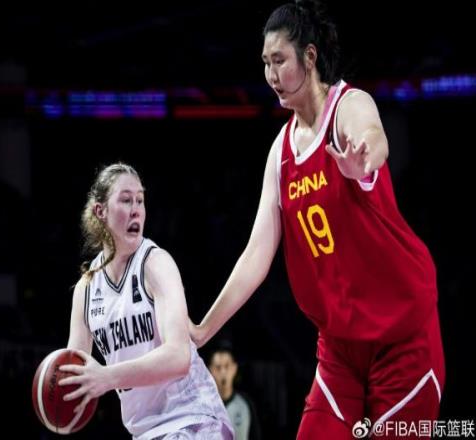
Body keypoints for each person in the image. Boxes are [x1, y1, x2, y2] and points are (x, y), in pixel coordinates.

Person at [190, 1, 445, 438]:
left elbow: (373, 137)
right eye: (265, 63)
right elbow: (256, 254)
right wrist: (202, 330)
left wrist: (362, 162)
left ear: (309, 57)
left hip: (401, 336)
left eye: (279, 60)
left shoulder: (348, 104)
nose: (271, 74)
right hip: (340, 348)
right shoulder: (280, 152)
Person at [57, 163, 233, 440]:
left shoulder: (155, 264)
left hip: (194, 418)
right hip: (146, 431)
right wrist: (59, 399)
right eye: (126, 200)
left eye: (140, 200)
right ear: (100, 211)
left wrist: (107, 376)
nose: (136, 209)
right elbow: (75, 375)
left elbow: (178, 357)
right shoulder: (86, 289)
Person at [208, 345, 262, 440]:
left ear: (234, 368)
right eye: (218, 367)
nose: (223, 372)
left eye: (227, 366)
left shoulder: (245, 404)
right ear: (210, 370)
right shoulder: (203, 407)